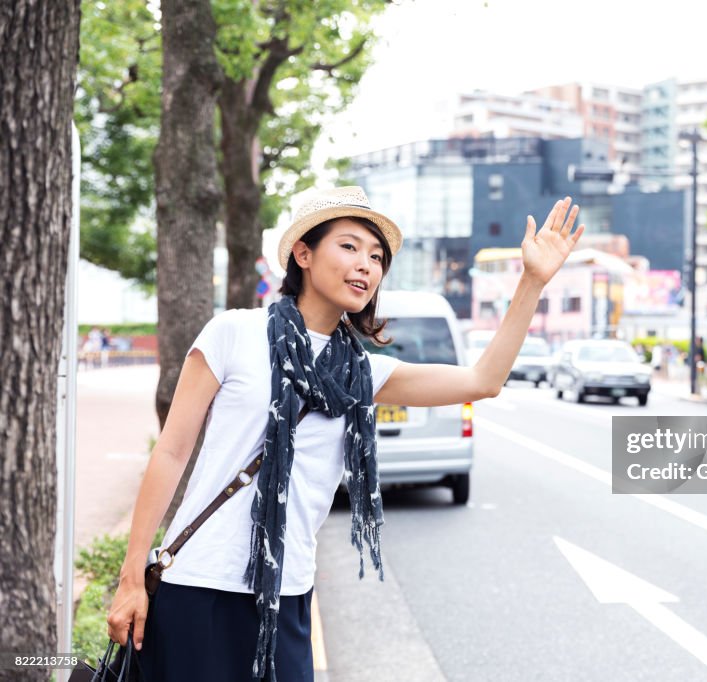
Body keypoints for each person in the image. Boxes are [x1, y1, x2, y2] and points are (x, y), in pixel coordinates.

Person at [105, 186, 584, 681]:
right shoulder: (233, 334)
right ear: (304, 253)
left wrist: (531, 281)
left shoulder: (363, 373)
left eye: (377, 257)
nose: (366, 266)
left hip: (287, 594)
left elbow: (483, 381)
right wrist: (132, 576)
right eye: (350, 247)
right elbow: (172, 451)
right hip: (200, 585)